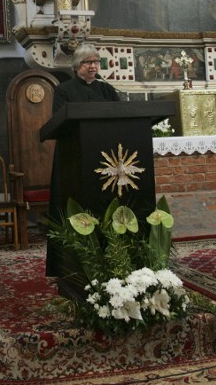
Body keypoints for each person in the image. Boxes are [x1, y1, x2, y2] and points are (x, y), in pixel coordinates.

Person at [47, 44, 120, 277]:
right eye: (88, 62)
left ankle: (112, 256)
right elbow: (58, 122)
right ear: (77, 66)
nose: (93, 66)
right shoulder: (64, 90)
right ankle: (73, 264)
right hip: (74, 159)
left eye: (97, 62)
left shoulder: (107, 90)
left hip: (104, 160)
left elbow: (122, 116)